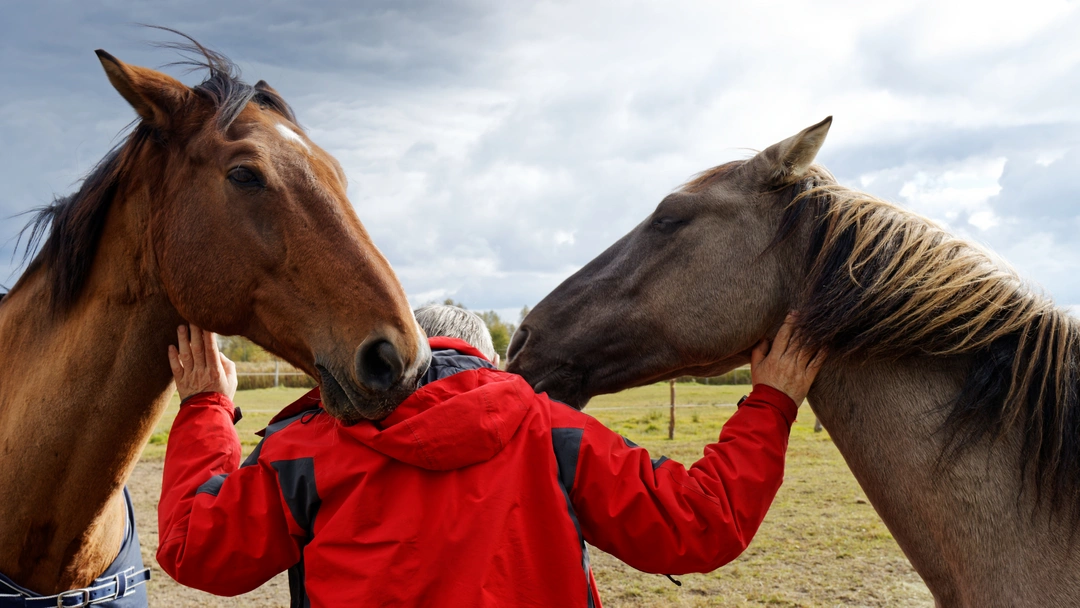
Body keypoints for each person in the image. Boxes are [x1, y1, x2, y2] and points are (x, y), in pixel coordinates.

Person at [157, 308, 823, 607]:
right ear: (488, 361)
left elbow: (197, 546)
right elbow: (699, 522)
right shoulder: (550, 433)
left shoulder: (311, 446)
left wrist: (206, 407)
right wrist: (770, 404)